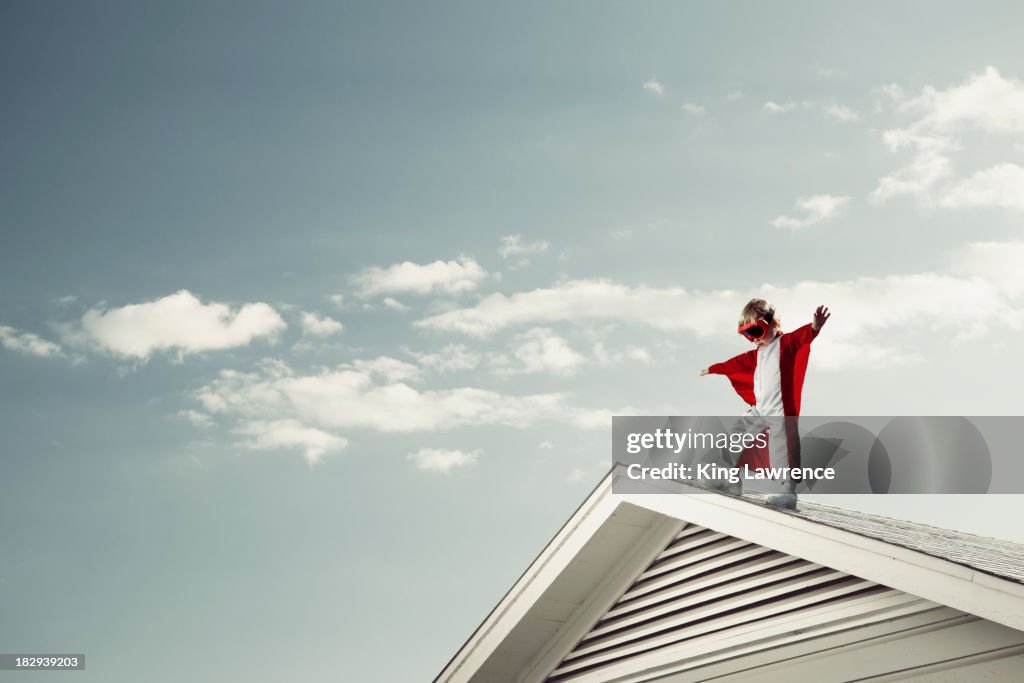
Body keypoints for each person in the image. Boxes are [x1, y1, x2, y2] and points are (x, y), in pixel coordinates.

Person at [699, 299, 830, 509]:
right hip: (759, 409)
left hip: (780, 411)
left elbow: (801, 337)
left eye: (756, 331)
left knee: (783, 451)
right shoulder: (758, 353)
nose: (752, 340)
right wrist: (714, 369)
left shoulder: (784, 344)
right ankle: (731, 480)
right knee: (735, 437)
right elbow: (737, 363)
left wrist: (815, 327)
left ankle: (788, 492)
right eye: (746, 335)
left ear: (771, 323)